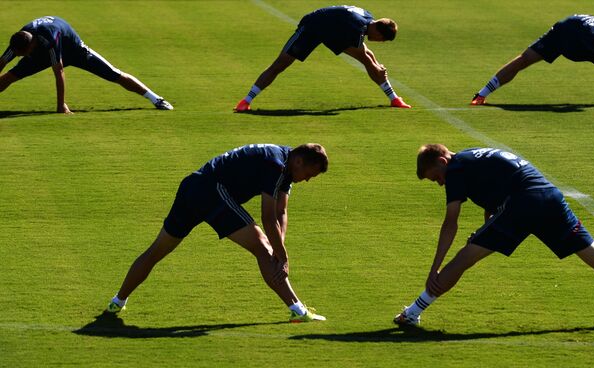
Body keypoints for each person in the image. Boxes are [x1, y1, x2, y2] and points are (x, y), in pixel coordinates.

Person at [394, 144, 594, 326]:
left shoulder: (456, 170)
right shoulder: (474, 156)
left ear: (442, 162)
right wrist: (486, 229)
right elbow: (494, 193)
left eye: (437, 177)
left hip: (523, 202)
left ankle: (413, 312)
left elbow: (451, 223)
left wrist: (434, 268)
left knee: (463, 259)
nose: (440, 183)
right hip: (550, 196)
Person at [106, 143, 329, 323]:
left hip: (192, 187)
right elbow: (268, 218)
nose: (308, 179)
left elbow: (281, 211)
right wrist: (281, 255)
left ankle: (117, 301)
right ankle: (298, 310)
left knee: (157, 250)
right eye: (309, 174)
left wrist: (280, 249)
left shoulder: (285, 164)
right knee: (262, 246)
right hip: (210, 192)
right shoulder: (276, 166)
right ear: (299, 161)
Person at [234, 5, 411, 112]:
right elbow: (363, 53)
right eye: (382, 39)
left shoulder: (367, 18)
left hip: (333, 31)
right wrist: (378, 70)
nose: (379, 42)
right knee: (280, 64)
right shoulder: (357, 27)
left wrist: (377, 68)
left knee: (369, 58)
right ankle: (245, 101)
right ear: (378, 31)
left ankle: (394, 99)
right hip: (312, 28)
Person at [0, 16, 173, 113]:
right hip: (41, 55)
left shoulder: (48, 38)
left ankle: (157, 99)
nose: (20, 56)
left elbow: (58, 72)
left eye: (23, 54)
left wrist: (61, 105)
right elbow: (2, 61)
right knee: (6, 79)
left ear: (31, 46)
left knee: (114, 74)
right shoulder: (20, 40)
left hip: (75, 52)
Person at [471, 14, 594, 105]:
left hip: (579, 31)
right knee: (524, 59)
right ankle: (481, 95)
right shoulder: (593, 38)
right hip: (562, 36)